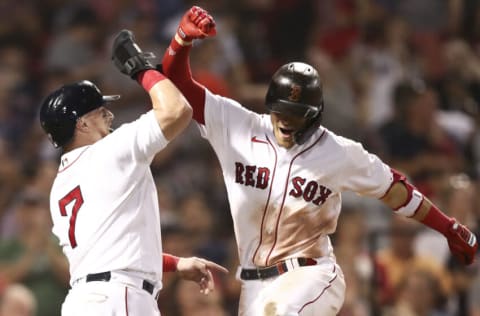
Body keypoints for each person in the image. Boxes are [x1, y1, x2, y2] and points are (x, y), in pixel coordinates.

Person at [152, 6, 478, 315]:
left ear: (314, 116)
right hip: (253, 284)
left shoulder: (338, 152)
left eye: (295, 114)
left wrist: (448, 227)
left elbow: (397, 191)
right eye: (281, 109)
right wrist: (181, 40)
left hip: (312, 275)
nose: (285, 119)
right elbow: (177, 84)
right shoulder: (237, 126)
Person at [39, 29, 227, 316]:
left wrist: (174, 264)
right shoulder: (110, 151)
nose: (110, 116)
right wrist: (142, 69)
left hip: (83, 301)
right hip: (120, 298)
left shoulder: (59, 186)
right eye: (101, 112)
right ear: (82, 125)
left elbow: (108, 253)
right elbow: (176, 111)